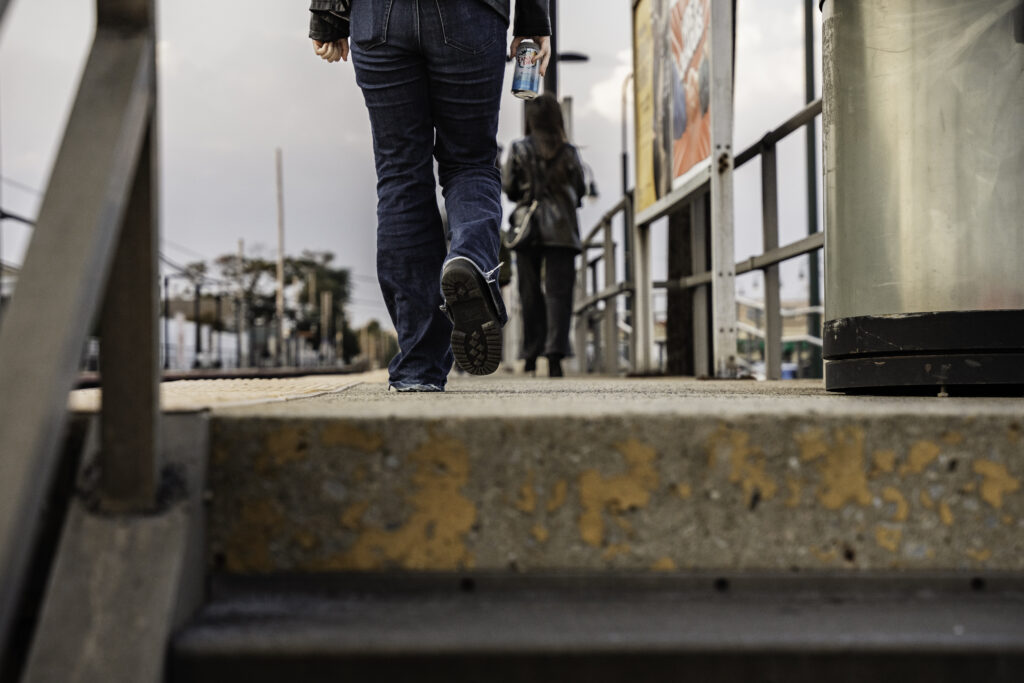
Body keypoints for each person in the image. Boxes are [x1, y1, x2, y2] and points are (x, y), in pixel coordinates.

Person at [308, 0, 551, 391]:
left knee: (401, 175)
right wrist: (533, 19)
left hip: (378, 16)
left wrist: (327, 14)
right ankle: (471, 258)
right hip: (472, 15)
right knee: (469, 162)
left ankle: (418, 369)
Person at [502, 93, 587, 378]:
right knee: (559, 294)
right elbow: (580, 191)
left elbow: (511, 189)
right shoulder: (569, 151)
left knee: (529, 293)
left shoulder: (519, 148)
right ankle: (554, 356)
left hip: (528, 228)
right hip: (562, 228)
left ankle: (530, 354)